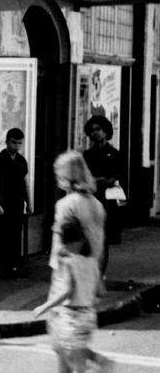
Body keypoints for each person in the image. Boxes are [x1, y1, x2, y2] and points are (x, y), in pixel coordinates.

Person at [34, 151, 125, 373]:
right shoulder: (96, 204)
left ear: (67, 175)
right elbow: (99, 244)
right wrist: (97, 276)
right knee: (72, 340)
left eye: (59, 174)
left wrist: (57, 271)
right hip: (90, 272)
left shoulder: (67, 204)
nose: (57, 178)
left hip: (66, 274)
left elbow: (60, 243)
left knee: (63, 340)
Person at [82, 115, 124, 276]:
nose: (95, 133)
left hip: (107, 200)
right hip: (90, 200)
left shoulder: (114, 154)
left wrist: (100, 179)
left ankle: (99, 274)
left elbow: (117, 176)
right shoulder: (87, 154)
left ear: (106, 131)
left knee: (104, 239)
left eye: (98, 130)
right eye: (92, 131)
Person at [0, 128, 30, 277]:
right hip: (3, 202)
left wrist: (29, 202)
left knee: (15, 234)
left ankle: (13, 266)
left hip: (17, 202)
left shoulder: (21, 160)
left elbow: (25, 183)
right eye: (13, 142)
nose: (16, 146)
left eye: (19, 143)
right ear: (7, 142)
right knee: (1, 235)